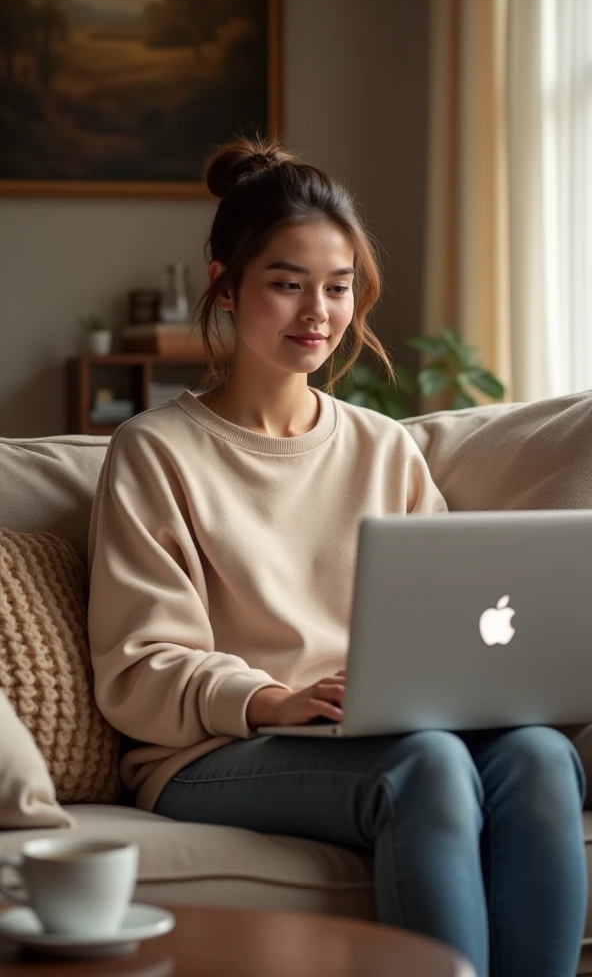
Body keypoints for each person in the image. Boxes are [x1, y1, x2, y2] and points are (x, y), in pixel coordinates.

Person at [87, 137, 586, 977]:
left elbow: (446, 616)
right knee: (423, 767)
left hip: (378, 728)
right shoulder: (154, 452)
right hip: (212, 751)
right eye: (287, 285)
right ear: (225, 281)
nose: (317, 313)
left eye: (339, 287)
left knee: (539, 754)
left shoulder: (383, 448)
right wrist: (273, 698)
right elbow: (139, 667)